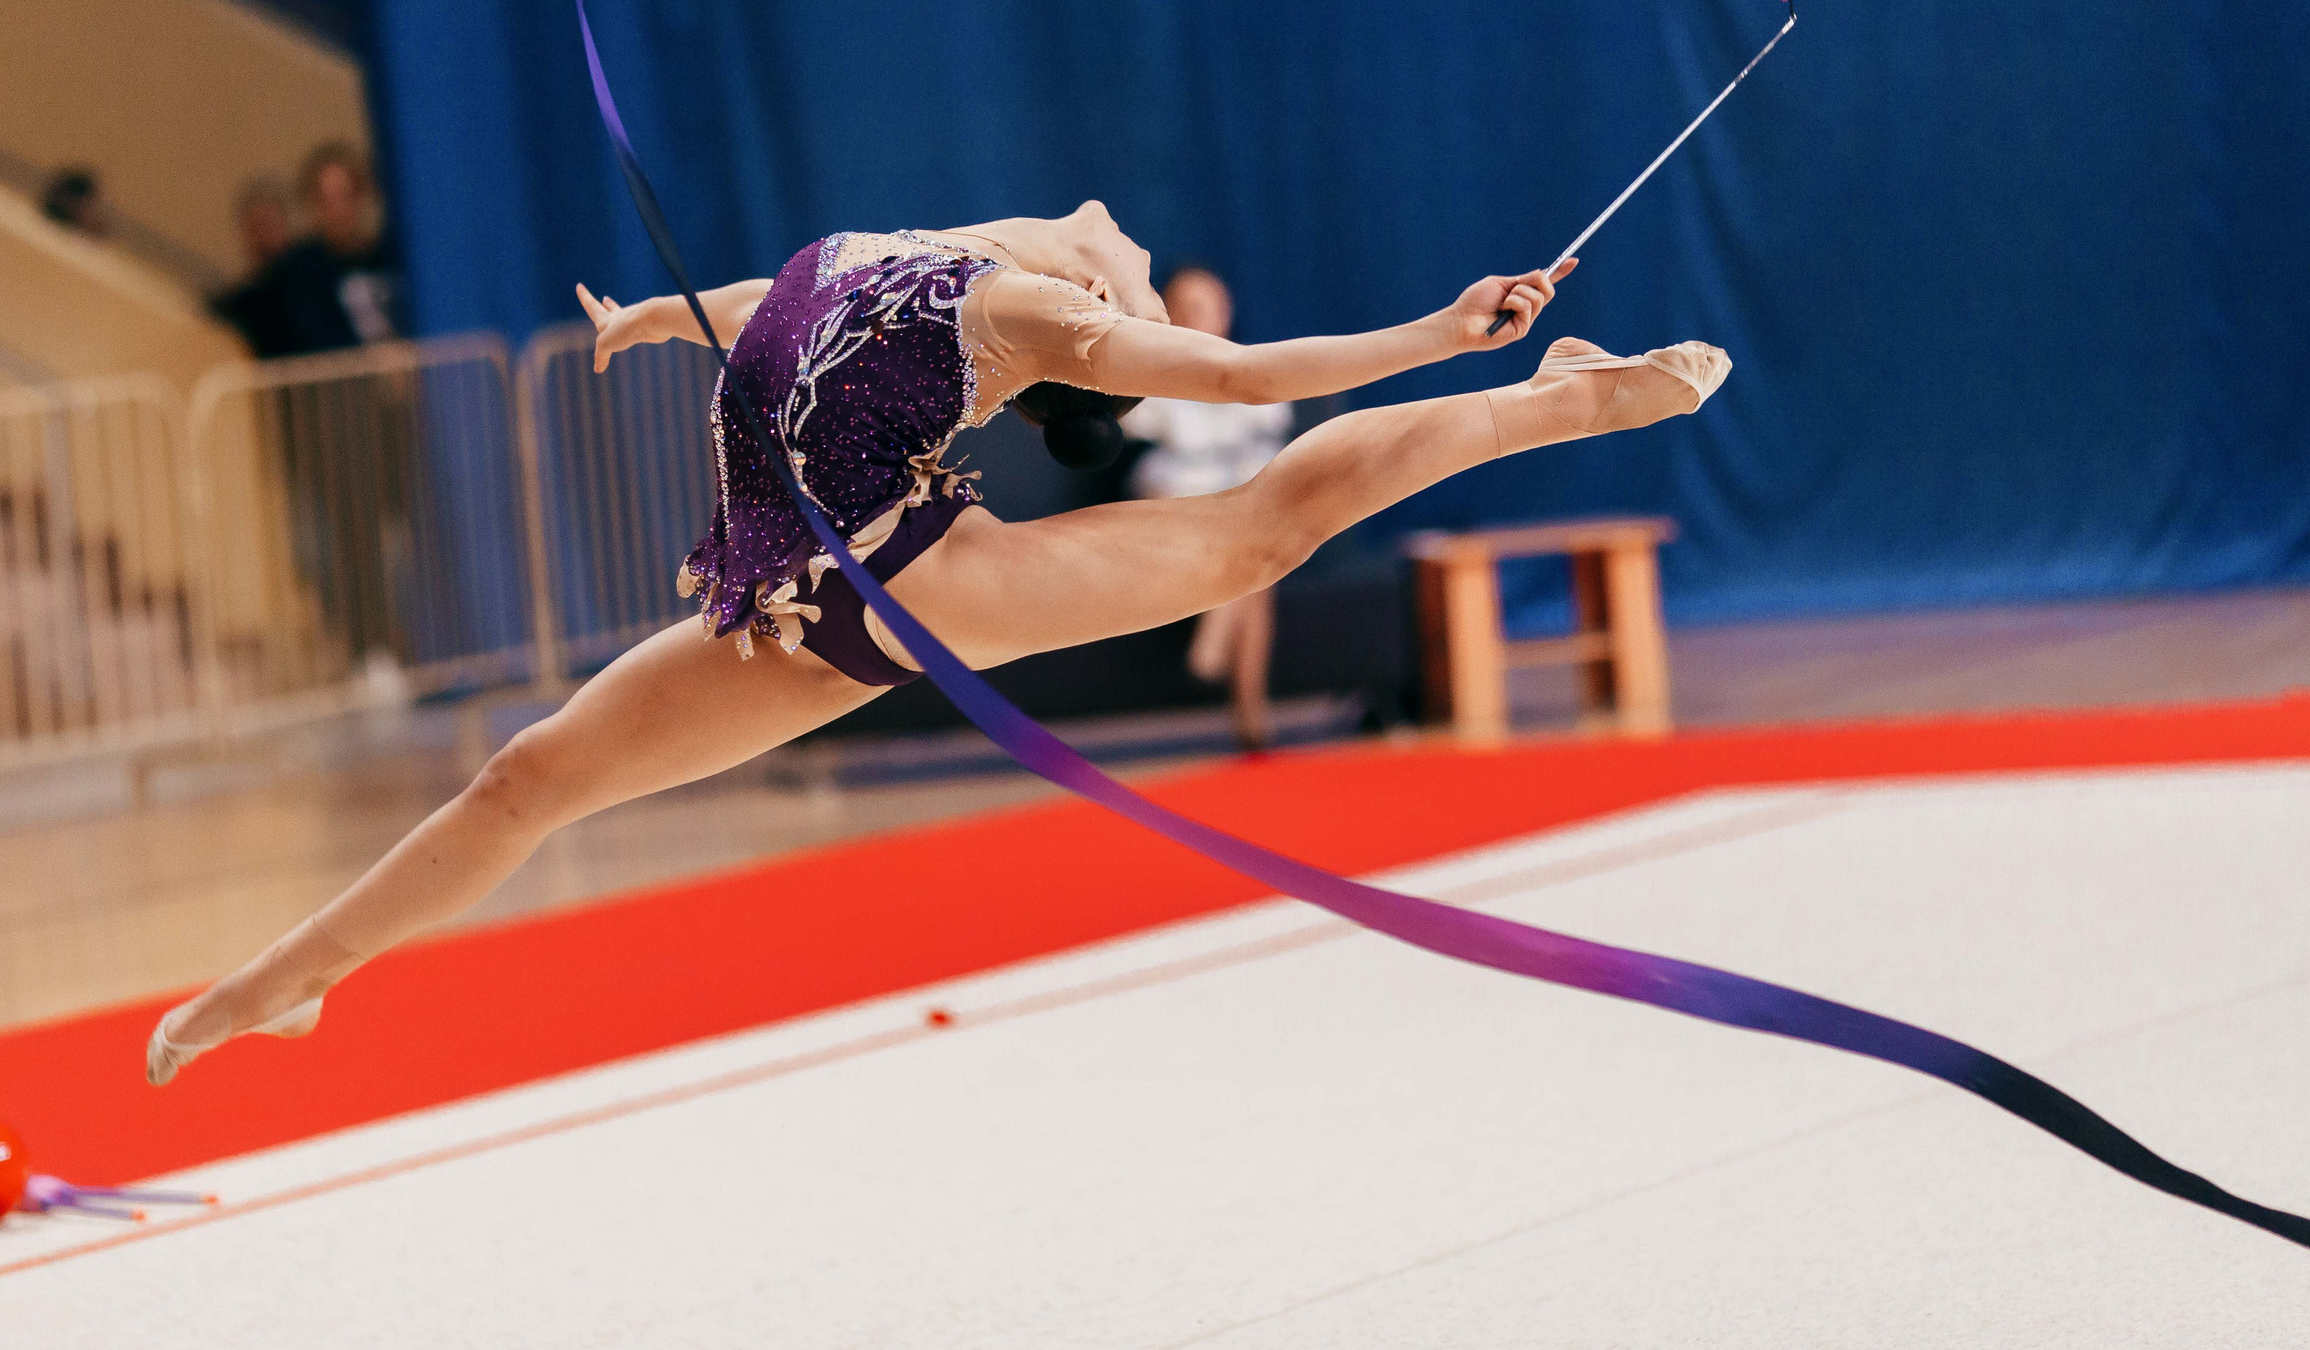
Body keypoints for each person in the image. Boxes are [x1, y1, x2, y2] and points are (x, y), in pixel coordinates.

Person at [145, 201, 1724, 1082]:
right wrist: (660, 316)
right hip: (777, 600)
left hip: (897, 584)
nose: (1125, 242)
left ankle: (1553, 397)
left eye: (1128, 272)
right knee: (521, 776)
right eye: (1117, 251)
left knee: (1259, 529)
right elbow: (798, 295)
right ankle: (288, 980)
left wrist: (1437, 331)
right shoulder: (982, 238)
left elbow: (1244, 378)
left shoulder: (1037, 317)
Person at [1121, 265, 1293, 750]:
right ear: (1169, 314)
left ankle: (1217, 643)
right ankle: (1252, 717)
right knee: (1257, 565)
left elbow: (1269, 444)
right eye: (1191, 307)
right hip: (1177, 502)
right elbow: (1143, 444)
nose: (1204, 316)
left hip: (1240, 497)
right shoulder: (1145, 373)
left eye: (1212, 304)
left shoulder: (1256, 368)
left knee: (1256, 556)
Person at [265, 142, 403, 354]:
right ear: (312, 204)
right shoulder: (301, 270)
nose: (338, 210)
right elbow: (313, 340)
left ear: (362, 195)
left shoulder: (390, 256)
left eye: (344, 195)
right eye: (326, 200)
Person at [208, 176, 299, 359]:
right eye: (258, 225)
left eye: (270, 223)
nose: (265, 234)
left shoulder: (311, 283)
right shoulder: (238, 303)